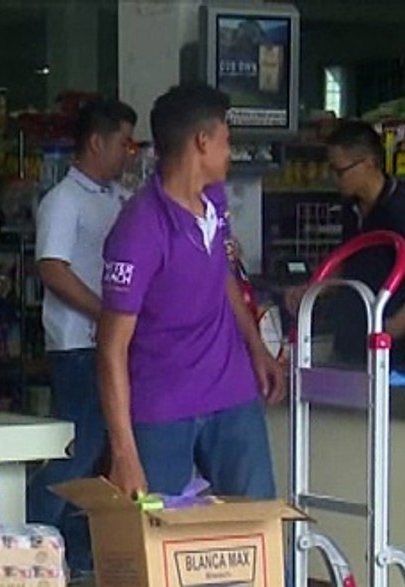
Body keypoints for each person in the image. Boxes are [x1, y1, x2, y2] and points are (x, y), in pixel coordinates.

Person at [98, 83, 285, 501]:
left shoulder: (214, 200)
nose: (229, 152)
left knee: (257, 527)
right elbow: (111, 348)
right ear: (203, 141)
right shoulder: (138, 231)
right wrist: (124, 453)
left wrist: (256, 349)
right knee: (154, 536)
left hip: (231, 390)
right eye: (226, 140)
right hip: (163, 404)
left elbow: (222, 274)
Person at [26, 97, 138, 574]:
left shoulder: (114, 198)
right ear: (96, 141)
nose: (129, 153)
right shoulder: (63, 200)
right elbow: (52, 267)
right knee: (80, 446)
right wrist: (107, 312)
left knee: (97, 452)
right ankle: (31, 535)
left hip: (107, 340)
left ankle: (74, 545)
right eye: (123, 143)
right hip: (78, 344)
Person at [286, 121, 405, 366]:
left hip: (387, 342)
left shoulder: (400, 208)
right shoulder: (352, 206)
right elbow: (344, 259)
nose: (335, 178)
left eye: (340, 171)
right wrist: (311, 290)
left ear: (369, 163)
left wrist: (397, 325)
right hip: (350, 330)